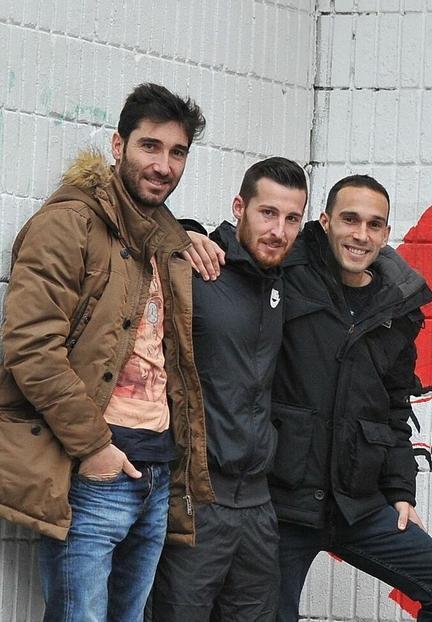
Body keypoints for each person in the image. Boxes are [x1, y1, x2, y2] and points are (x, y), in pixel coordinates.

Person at [0, 83, 212, 621]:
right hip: (95, 469)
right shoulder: (66, 224)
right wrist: (94, 449)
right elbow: (29, 348)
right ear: (118, 146)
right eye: (150, 146)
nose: (164, 165)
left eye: (177, 152)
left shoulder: (165, 239)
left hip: (156, 470)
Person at [269, 175, 432, 621]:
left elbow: (395, 405)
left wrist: (400, 490)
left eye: (374, 225)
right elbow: (235, 244)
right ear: (324, 222)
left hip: (354, 502)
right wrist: (186, 232)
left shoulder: (397, 307)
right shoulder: (285, 272)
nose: (360, 235)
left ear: (385, 234)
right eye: (349, 219)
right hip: (285, 503)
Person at [150, 157, 308, 620]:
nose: (279, 230)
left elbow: (356, 241)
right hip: (199, 500)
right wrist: (181, 231)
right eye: (267, 213)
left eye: (292, 218)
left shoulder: (287, 277)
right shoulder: (198, 267)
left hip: (259, 505)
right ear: (239, 206)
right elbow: (139, 232)